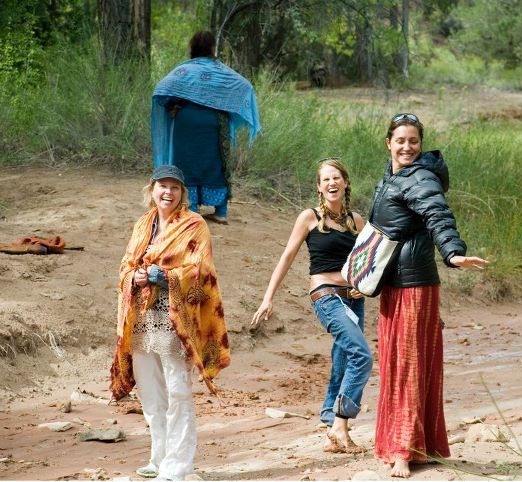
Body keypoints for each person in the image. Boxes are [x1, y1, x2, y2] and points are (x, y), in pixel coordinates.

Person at [370, 113, 489, 478]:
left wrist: (453, 252)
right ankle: (423, 445)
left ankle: (404, 451)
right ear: (388, 143)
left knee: (409, 366)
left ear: (420, 145)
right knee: (395, 364)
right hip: (393, 284)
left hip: (415, 285)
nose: (407, 147)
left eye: (414, 141)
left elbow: (438, 215)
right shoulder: (391, 177)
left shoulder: (420, 177)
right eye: (401, 140)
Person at [109, 165, 231, 481]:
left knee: (177, 391)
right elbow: (125, 265)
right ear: (152, 190)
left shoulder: (194, 225)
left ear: (182, 193)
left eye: (175, 187)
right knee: (150, 392)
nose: (168, 192)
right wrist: (134, 276)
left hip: (175, 319)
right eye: (162, 186)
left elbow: (201, 271)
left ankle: (177, 467)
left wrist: (162, 276)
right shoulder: (143, 224)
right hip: (141, 318)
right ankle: (159, 458)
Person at [251, 158, 372, 453]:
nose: (332, 183)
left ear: (345, 183)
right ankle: (340, 427)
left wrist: (364, 287)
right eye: (326, 179)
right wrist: (268, 297)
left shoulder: (357, 221)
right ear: (319, 187)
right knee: (361, 356)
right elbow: (287, 257)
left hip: (353, 299)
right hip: (326, 295)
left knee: (344, 358)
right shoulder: (309, 217)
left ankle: (331, 422)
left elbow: (369, 262)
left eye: (336, 178)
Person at [151, 30, 261, 225]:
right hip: (215, 123)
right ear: (212, 48)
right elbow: (245, 87)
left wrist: (171, 105)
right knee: (216, 164)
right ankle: (221, 212)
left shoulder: (184, 71)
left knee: (187, 164)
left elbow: (162, 88)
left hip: (186, 122)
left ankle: (192, 208)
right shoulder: (223, 73)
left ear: (193, 48)